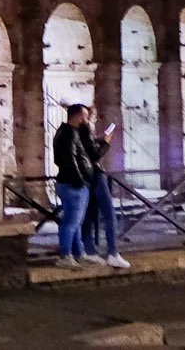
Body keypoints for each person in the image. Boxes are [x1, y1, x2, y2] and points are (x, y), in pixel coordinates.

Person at [80, 115, 131, 270]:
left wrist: (101, 140)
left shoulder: (74, 134)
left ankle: (89, 250)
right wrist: (107, 142)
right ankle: (113, 253)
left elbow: (90, 148)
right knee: (109, 214)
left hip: (86, 177)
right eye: (90, 117)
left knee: (88, 215)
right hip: (96, 176)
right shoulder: (84, 131)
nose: (92, 119)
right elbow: (94, 155)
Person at [50, 104, 96, 268]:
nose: (87, 120)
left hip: (70, 183)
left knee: (75, 222)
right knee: (71, 223)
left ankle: (78, 254)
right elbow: (70, 159)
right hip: (73, 185)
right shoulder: (69, 134)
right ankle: (65, 256)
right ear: (77, 116)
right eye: (85, 116)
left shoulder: (67, 132)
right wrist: (79, 180)